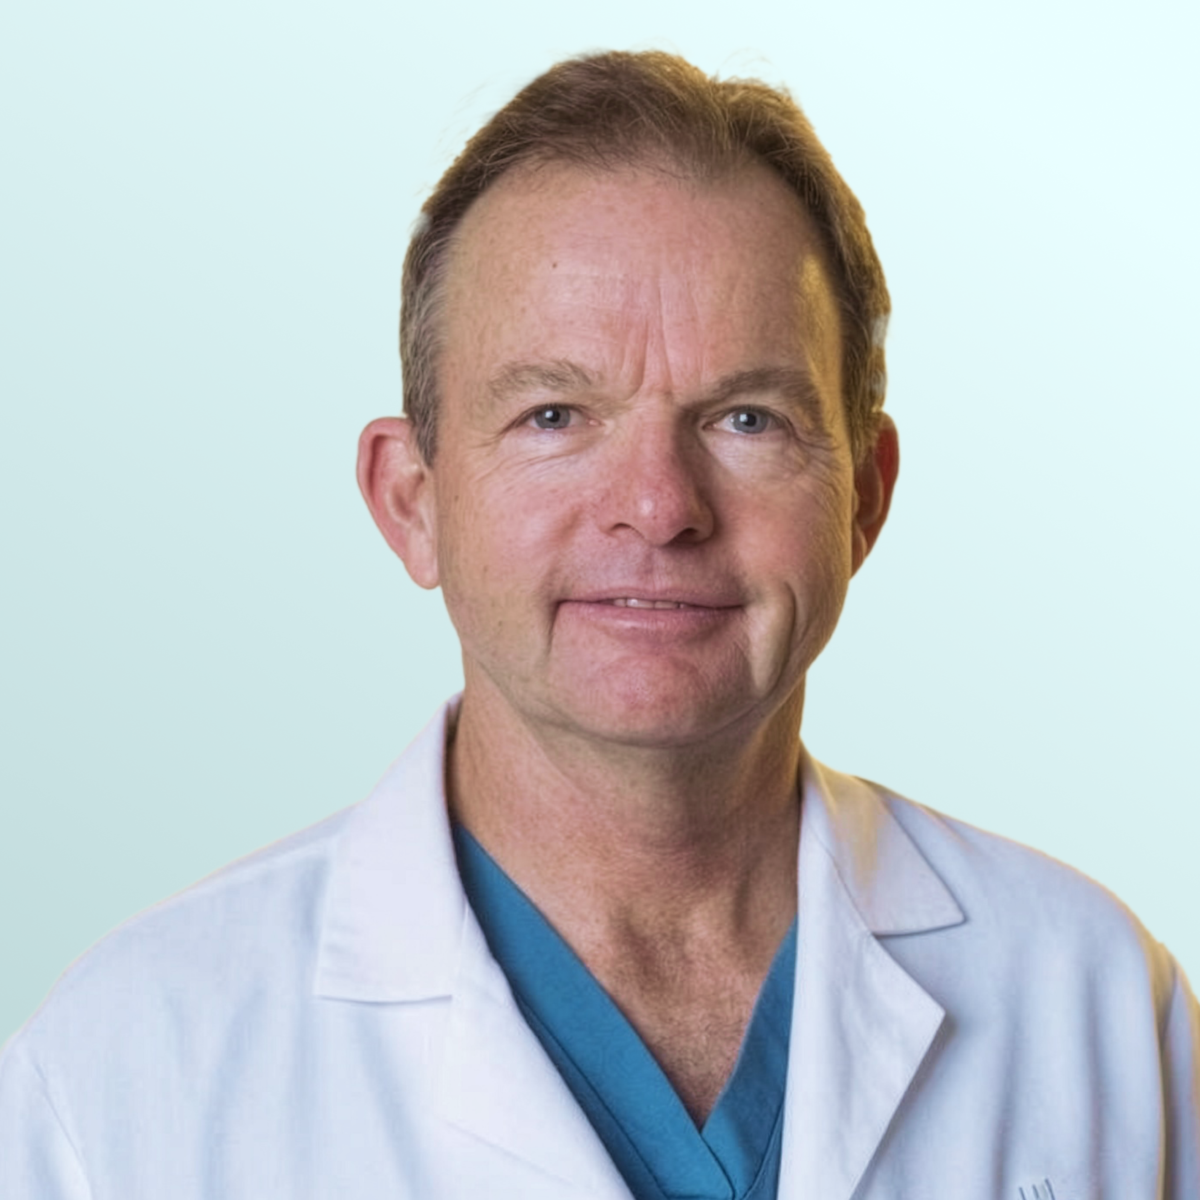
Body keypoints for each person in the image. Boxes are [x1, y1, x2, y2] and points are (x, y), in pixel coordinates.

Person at [1, 49, 1196, 1200]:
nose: (658, 508)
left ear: (865, 499)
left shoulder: (1092, 1002)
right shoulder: (125, 1071)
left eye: (747, 420)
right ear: (410, 502)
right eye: (555, 414)